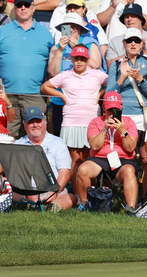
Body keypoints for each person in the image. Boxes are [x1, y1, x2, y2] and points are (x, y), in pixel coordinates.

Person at [0, 0, 53, 137]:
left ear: (33, 8)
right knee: (6, 137)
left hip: (35, 95)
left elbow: (51, 64)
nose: (23, 8)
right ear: (14, 8)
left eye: (27, 5)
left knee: (37, 137)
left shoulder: (46, 33)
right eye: (19, 5)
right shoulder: (2, 31)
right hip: (7, 94)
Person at [42, 44, 107, 189]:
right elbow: (45, 86)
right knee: (74, 159)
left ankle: (91, 192)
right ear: (71, 59)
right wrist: (61, 96)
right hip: (71, 122)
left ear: (87, 59)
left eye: (82, 59)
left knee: (90, 157)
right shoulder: (65, 75)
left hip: (92, 123)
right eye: (76, 58)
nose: (79, 62)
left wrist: (100, 95)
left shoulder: (97, 74)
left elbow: (112, 84)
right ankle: (76, 194)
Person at [77, 91, 139, 211]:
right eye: (110, 109)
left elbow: (130, 148)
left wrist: (123, 131)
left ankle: (131, 209)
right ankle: (84, 204)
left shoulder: (129, 122)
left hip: (123, 159)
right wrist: (105, 128)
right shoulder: (96, 122)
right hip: (100, 158)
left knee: (129, 171)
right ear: (104, 108)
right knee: (83, 169)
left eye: (116, 109)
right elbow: (94, 146)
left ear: (121, 107)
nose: (112, 113)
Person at [14, 106, 76, 212]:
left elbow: (64, 172)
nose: (35, 125)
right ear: (25, 125)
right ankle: (26, 202)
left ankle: (52, 206)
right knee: (10, 190)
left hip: (52, 189)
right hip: (26, 191)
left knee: (70, 197)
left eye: (38, 121)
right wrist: (29, 194)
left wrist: (53, 193)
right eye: (31, 122)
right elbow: (15, 174)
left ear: (45, 123)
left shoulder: (58, 143)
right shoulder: (17, 145)